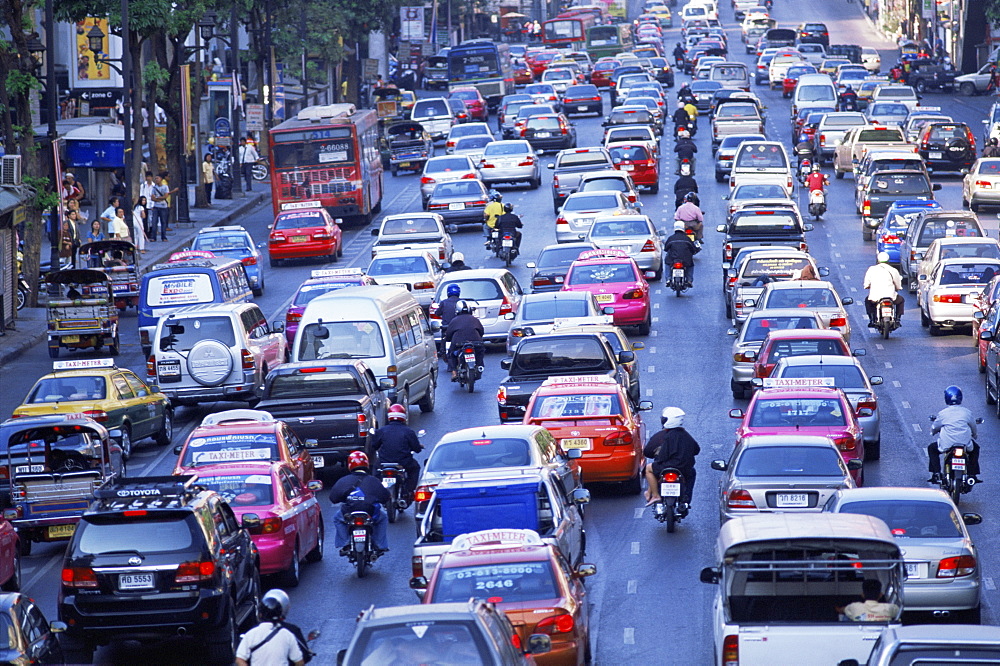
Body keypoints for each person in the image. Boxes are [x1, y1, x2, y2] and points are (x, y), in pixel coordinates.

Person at [329, 451, 390, 555]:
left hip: (348, 513)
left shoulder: (343, 480)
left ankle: (345, 543)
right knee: (383, 517)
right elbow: (385, 497)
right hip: (370, 512)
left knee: (337, 518)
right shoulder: (374, 480)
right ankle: (381, 545)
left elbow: (333, 498)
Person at [642, 407, 701, 510]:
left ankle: (655, 495)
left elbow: (661, 455)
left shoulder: (665, 436)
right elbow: (696, 450)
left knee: (648, 468)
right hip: (684, 469)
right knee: (692, 473)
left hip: (668, 466)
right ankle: (686, 498)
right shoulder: (686, 435)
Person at [235, 589, 307, 666]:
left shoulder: (251, 634)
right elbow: (299, 661)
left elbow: (239, 659)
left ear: (260, 614)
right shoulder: (287, 634)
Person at [371, 404, 423, 502]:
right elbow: (416, 449)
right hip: (403, 462)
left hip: (384, 462)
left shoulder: (382, 431)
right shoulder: (408, 431)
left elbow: (374, 446)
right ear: (403, 416)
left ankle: (376, 491)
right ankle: (409, 491)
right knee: (415, 468)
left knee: (375, 470)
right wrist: (419, 447)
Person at [928, 385, 980, 483]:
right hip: (965, 444)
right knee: (975, 449)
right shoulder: (967, 412)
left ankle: (936, 473)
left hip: (947, 444)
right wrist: (975, 435)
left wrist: (932, 432)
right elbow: (973, 426)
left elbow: (935, 427)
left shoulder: (943, 413)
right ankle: (972, 474)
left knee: (932, 449)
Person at [444, 299, 485, 380]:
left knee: (451, 354)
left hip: (458, 343)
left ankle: (454, 372)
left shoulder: (454, 320)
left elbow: (448, 335)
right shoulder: (474, 319)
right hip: (476, 342)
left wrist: (448, 339)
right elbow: (481, 331)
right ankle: (480, 366)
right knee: (480, 351)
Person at [863, 251, 904, 326]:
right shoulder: (893, 270)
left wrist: (867, 286)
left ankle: (872, 319)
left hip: (875, 297)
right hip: (891, 296)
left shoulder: (872, 269)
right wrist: (898, 288)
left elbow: (866, 283)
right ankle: (898, 319)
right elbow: (898, 284)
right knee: (901, 300)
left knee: (868, 301)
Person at [664, 220, 700, 286]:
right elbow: (693, 249)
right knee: (691, 265)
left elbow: (666, 249)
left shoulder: (671, 238)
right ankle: (689, 280)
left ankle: (668, 279)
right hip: (686, 259)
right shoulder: (687, 238)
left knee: (667, 263)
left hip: (672, 259)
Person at [150, 174, 171, 241]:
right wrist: (158, 199)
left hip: (163, 206)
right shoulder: (154, 188)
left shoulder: (165, 187)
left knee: (163, 222)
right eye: (155, 178)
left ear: (161, 179)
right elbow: (152, 198)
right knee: (154, 222)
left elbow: (165, 196)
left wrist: (158, 198)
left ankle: (164, 237)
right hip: (156, 206)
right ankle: (153, 237)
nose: (156, 180)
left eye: (157, 178)